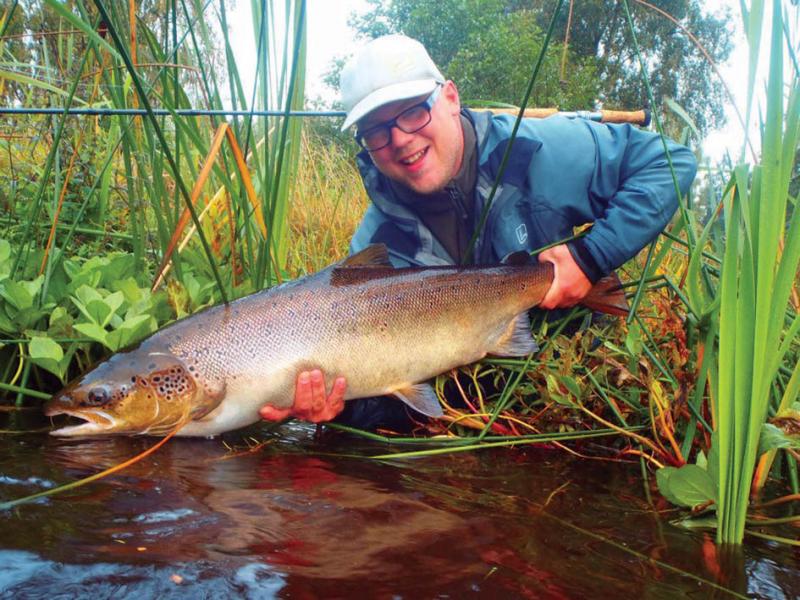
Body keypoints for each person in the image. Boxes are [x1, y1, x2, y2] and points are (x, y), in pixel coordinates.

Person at [259, 34, 697, 429]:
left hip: (580, 377)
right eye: (376, 131)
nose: (400, 140)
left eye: (412, 112)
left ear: (450, 97)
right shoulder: (374, 247)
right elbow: (381, 385)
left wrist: (591, 257)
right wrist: (337, 408)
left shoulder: (541, 149)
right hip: (472, 404)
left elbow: (670, 163)